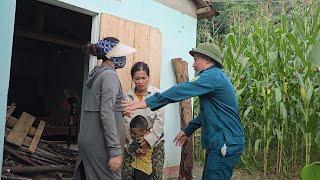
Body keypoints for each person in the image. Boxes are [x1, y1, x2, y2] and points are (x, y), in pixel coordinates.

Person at [123, 43, 244, 180]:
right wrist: (188, 130)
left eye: (196, 59)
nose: (193, 65)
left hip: (225, 141)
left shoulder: (213, 77)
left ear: (208, 60)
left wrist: (147, 102)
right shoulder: (213, 78)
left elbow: (182, 89)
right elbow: (206, 113)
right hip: (222, 141)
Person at [74, 37, 136, 180]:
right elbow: (106, 112)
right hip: (100, 143)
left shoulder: (97, 74)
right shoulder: (110, 76)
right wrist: (115, 150)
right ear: (112, 56)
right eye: (121, 54)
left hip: (87, 140)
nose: (124, 57)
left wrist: (120, 110)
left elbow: (98, 106)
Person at [122, 62, 165, 180]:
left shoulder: (157, 95)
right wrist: (134, 145)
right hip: (132, 143)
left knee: (154, 176)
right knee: (128, 175)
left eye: (143, 78)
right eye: (137, 78)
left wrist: (147, 141)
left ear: (148, 77)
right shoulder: (127, 97)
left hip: (154, 143)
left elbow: (159, 122)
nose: (140, 81)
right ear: (132, 79)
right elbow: (127, 123)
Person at [127, 115, 153, 180]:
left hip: (141, 170)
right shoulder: (149, 138)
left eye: (134, 133)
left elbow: (129, 150)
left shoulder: (139, 141)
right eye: (131, 132)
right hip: (147, 169)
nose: (132, 135)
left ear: (144, 132)